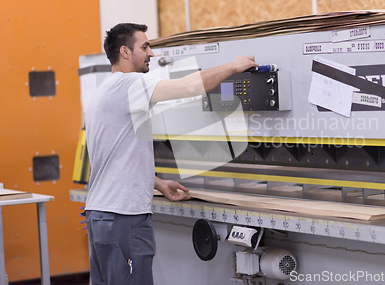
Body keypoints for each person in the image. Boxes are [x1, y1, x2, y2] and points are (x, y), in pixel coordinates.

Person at [84, 23, 258, 285]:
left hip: (102, 216)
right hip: (123, 218)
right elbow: (188, 87)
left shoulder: (102, 91)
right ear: (125, 52)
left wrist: (157, 183)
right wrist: (233, 66)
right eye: (145, 47)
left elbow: (113, 155)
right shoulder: (130, 84)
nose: (151, 53)